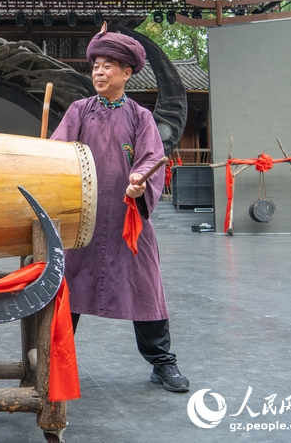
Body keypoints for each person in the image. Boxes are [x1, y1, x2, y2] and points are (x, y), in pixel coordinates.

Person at [50, 26, 189, 393]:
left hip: (128, 220)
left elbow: (151, 159)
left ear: (127, 73)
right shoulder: (79, 111)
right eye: (95, 65)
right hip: (83, 220)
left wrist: (140, 181)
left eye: (108, 66)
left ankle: (162, 362)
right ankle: (53, 360)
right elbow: (57, 154)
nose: (99, 72)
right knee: (68, 285)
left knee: (145, 286)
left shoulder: (141, 117)